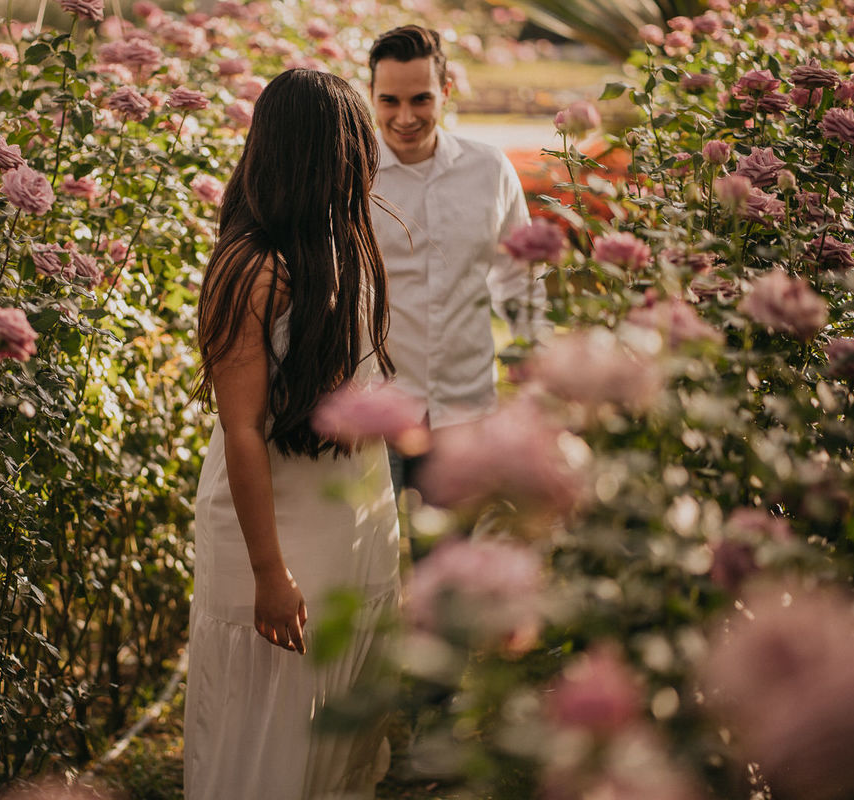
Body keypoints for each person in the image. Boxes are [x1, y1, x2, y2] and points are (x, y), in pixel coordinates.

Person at [184, 69, 400, 800]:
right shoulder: (251, 269)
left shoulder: (338, 247)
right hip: (274, 533)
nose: (368, 159)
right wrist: (270, 574)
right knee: (264, 732)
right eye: (355, 145)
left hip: (348, 517)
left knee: (330, 735)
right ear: (324, 157)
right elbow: (241, 431)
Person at [367, 25, 546, 494]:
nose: (405, 117)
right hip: (376, 409)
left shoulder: (490, 169)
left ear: (445, 92)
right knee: (369, 563)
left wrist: (533, 361)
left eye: (421, 100)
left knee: (449, 559)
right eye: (389, 101)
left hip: (465, 407)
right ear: (371, 95)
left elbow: (520, 277)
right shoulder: (352, 177)